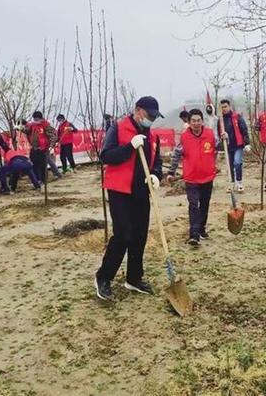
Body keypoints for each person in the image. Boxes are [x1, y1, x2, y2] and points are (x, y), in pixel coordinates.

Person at [95, 96, 163, 301]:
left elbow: (156, 160)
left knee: (140, 235)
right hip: (120, 190)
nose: (151, 120)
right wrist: (129, 147)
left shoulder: (152, 135)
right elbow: (105, 156)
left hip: (141, 191)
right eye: (149, 115)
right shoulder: (118, 128)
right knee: (123, 234)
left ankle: (134, 278)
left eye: (154, 117)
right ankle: (103, 277)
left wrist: (155, 175)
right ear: (138, 111)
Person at [168, 109, 217, 245]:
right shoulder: (184, 137)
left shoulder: (210, 134)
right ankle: (193, 234)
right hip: (191, 177)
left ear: (202, 121)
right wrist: (171, 172)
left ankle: (201, 228)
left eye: (198, 120)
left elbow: (217, 146)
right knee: (193, 205)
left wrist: (226, 138)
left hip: (207, 176)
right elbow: (177, 154)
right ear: (189, 122)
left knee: (205, 204)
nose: (196, 123)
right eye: (193, 121)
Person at [218, 99, 250, 192]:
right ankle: (231, 183)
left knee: (237, 163)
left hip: (238, 145)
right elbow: (219, 132)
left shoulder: (237, 117)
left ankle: (239, 183)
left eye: (225, 106)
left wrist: (247, 143)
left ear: (229, 106)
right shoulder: (221, 120)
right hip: (227, 146)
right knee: (229, 165)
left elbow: (244, 130)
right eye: (222, 107)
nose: (224, 109)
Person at [25, 111, 58, 183]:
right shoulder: (32, 125)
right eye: (34, 119)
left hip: (43, 149)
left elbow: (54, 135)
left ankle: (43, 180)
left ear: (41, 118)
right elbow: (27, 131)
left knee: (43, 165)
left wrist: (51, 146)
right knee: (34, 165)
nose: (35, 121)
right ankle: (37, 180)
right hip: (34, 148)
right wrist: (21, 128)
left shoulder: (46, 125)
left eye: (37, 119)